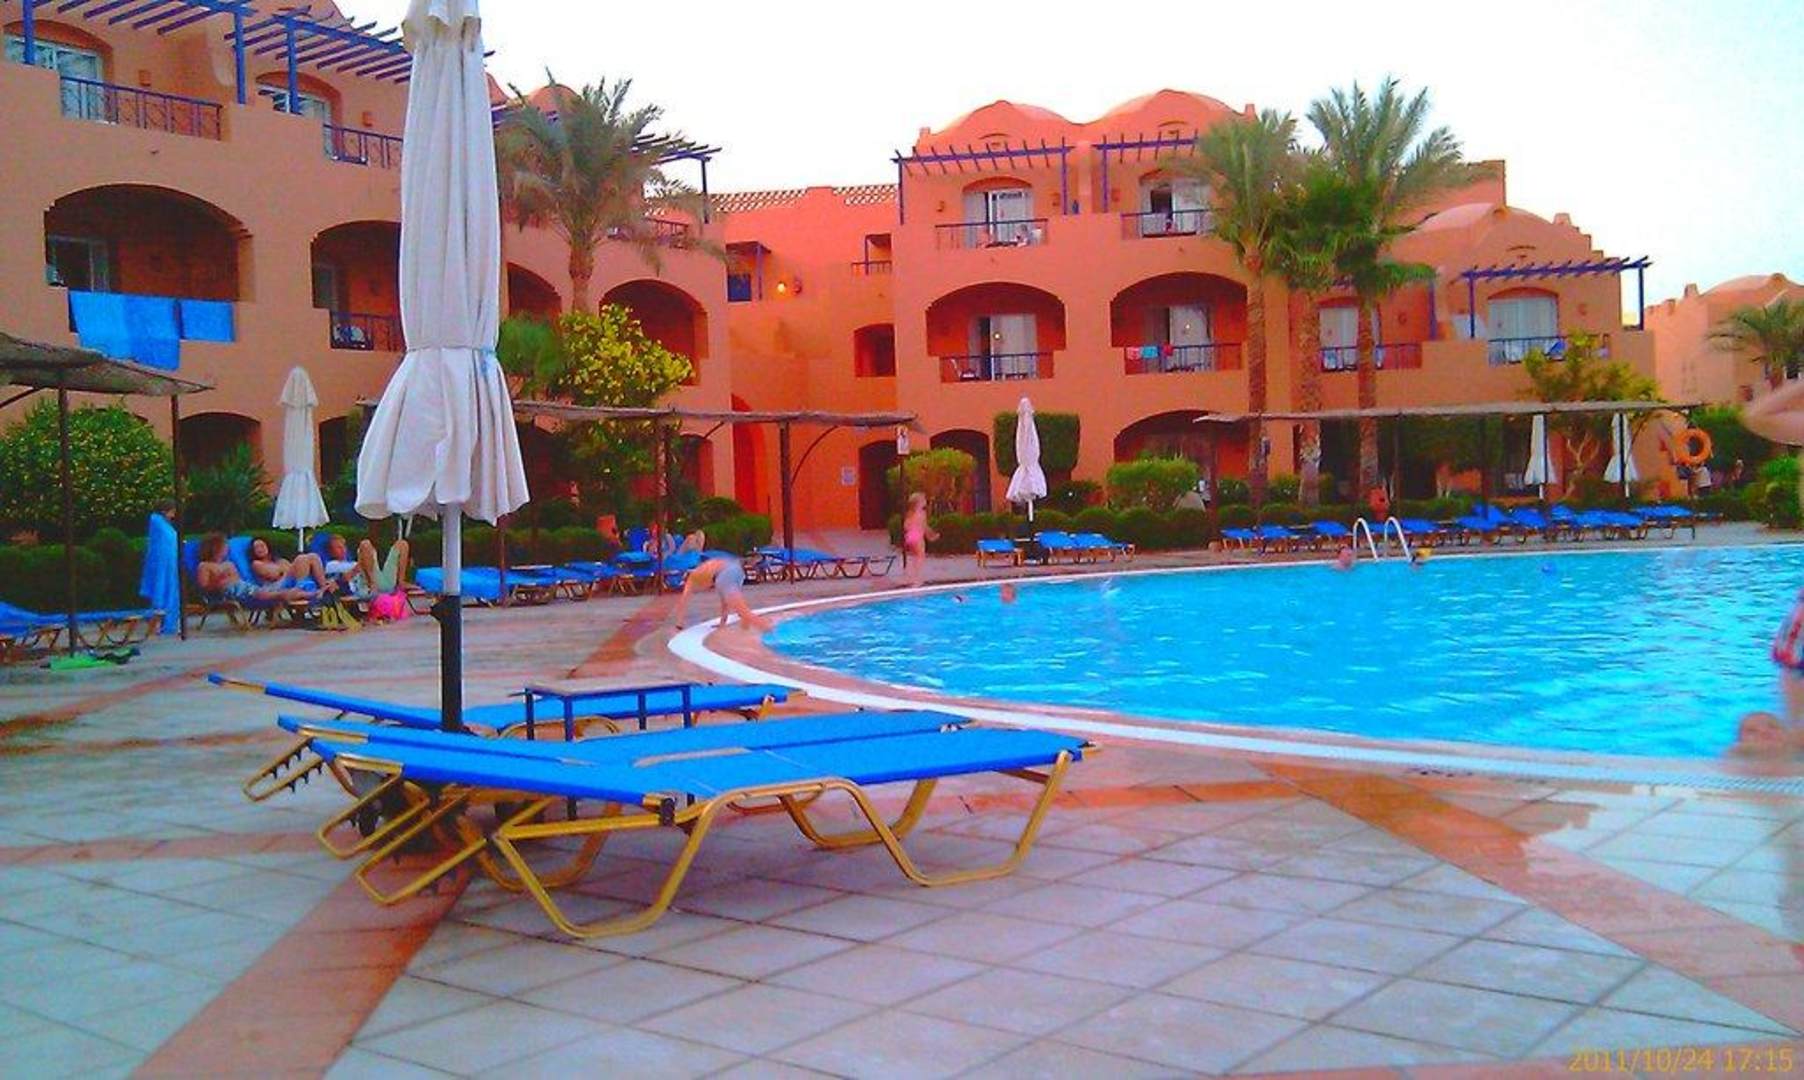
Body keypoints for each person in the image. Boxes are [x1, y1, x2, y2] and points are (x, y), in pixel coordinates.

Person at [195, 534, 310, 604]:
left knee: (260, 592)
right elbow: (204, 586)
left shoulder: (229, 564)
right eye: (224, 547)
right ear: (215, 548)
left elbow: (237, 579)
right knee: (263, 593)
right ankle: (295, 594)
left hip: (241, 587)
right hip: (225, 591)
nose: (226, 550)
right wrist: (218, 581)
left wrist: (230, 579)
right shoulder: (204, 566)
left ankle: (304, 594)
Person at [672, 556, 771, 632]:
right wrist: (722, 622)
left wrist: (679, 623)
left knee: (742, 610)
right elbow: (724, 601)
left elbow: (683, 601)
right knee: (741, 608)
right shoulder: (704, 572)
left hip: (726, 572)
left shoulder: (691, 581)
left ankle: (769, 629)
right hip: (734, 569)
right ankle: (746, 628)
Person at [248, 537, 335, 593]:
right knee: (301, 558)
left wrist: (283, 569)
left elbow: (287, 569)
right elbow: (274, 574)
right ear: (253, 551)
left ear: (267, 547)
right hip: (276, 588)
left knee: (313, 556)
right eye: (257, 547)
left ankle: (323, 586)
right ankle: (307, 588)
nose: (260, 549)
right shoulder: (256, 563)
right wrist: (283, 569)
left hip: (288, 582)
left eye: (262, 546)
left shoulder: (277, 560)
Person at [902, 492, 937, 588]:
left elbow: (906, 526)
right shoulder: (922, 514)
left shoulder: (910, 514)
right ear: (919, 503)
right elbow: (925, 527)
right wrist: (931, 535)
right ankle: (917, 580)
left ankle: (910, 577)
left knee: (913, 557)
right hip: (918, 537)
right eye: (923, 500)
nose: (925, 501)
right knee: (920, 558)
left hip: (910, 536)